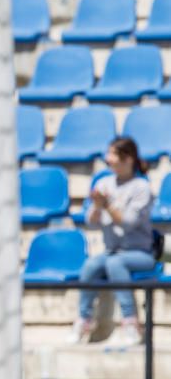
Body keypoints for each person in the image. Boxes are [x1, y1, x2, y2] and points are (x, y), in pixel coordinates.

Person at [70, 137, 155, 347]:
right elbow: (91, 222)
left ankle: (130, 322)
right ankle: (84, 320)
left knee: (115, 263)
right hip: (112, 251)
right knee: (91, 264)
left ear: (128, 159)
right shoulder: (103, 183)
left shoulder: (141, 187)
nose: (108, 159)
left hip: (141, 253)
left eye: (113, 154)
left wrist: (106, 204)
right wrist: (97, 207)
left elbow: (128, 223)